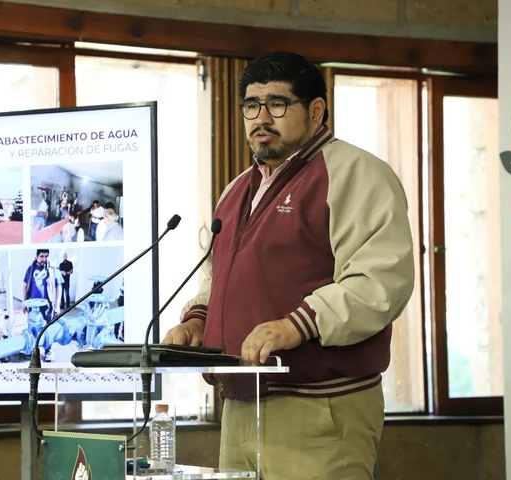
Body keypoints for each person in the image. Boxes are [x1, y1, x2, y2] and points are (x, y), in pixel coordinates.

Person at [163, 52, 415, 479]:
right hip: (240, 405)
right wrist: (199, 320)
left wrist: (297, 324)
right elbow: (215, 277)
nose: (261, 118)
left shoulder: (356, 173)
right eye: (251, 105)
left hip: (319, 406)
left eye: (277, 104)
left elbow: (380, 281)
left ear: (315, 111)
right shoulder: (235, 191)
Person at [22, 249, 63, 361]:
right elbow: (24, 286)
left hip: (47, 307)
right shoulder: (30, 269)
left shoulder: (53, 270)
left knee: (48, 329)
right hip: (32, 307)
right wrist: (24, 303)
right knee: (32, 329)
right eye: (41, 256)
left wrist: (57, 305)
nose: (44, 259)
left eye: (46, 256)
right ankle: (33, 349)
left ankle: (49, 351)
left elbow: (59, 286)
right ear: (36, 256)